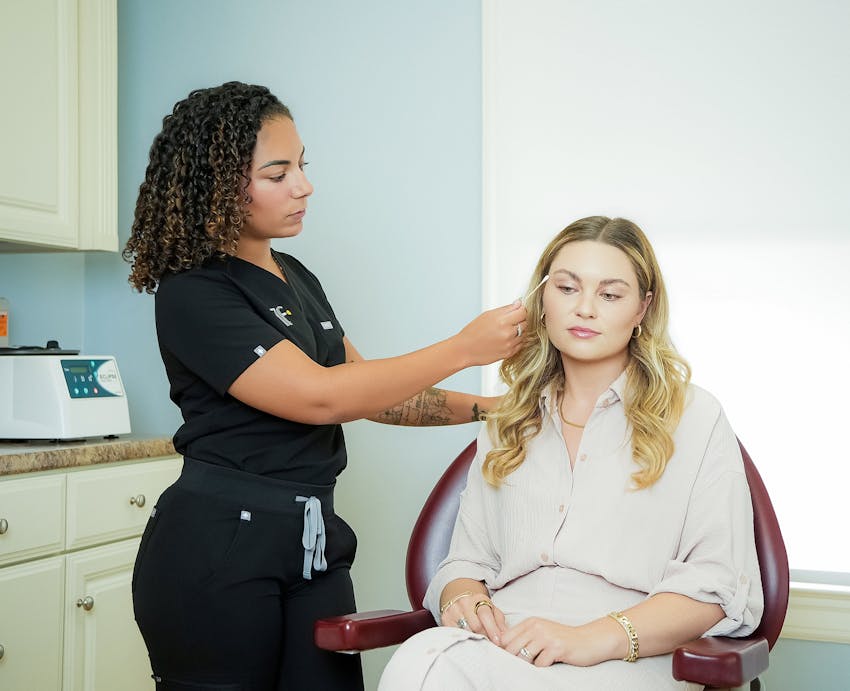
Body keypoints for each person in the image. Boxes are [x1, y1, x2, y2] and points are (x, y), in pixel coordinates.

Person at [123, 81, 527, 691]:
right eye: (278, 172)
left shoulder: (295, 275)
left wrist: (498, 408)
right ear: (218, 183)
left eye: (302, 166)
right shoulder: (195, 290)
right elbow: (321, 397)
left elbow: (370, 393)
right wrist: (464, 348)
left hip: (312, 540)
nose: (304, 186)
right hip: (218, 545)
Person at [379, 216, 764, 690]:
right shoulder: (508, 421)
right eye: (566, 288)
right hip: (507, 643)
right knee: (420, 661)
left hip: (630, 654)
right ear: (542, 299)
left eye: (610, 295)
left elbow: (718, 584)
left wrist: (589, 639)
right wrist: (465, 599)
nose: (584, 308)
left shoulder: (695, 417)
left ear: (643, 308)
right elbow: (465, 562)